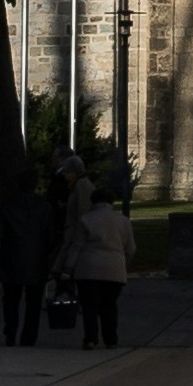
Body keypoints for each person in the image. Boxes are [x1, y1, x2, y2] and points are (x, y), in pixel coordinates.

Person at [60, 150, 133, 351]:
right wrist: (123, 264)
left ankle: (91, 338)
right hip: (114, 270)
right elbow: (130, 248)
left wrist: (67, 269)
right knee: (109, 306)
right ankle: (111, 339)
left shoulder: (86, 220)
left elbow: (77, 246)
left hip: (89, 269)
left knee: (90, 306)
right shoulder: (123, 222)